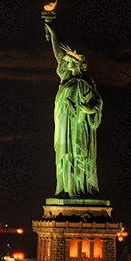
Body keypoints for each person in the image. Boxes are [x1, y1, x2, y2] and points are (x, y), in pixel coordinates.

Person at [45, 22, 103, 198]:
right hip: (65, 122)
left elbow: (98, 103)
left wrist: (90, 110)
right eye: (67, 60)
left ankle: (82, 188)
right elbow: (58, 54)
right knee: (66, 154)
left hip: (80, 125)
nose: (66, 62)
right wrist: (52, 33)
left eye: (70, 61)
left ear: (78, 63)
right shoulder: (66, 78)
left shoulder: (87, 82)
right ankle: (67, 188)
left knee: (80, 154)